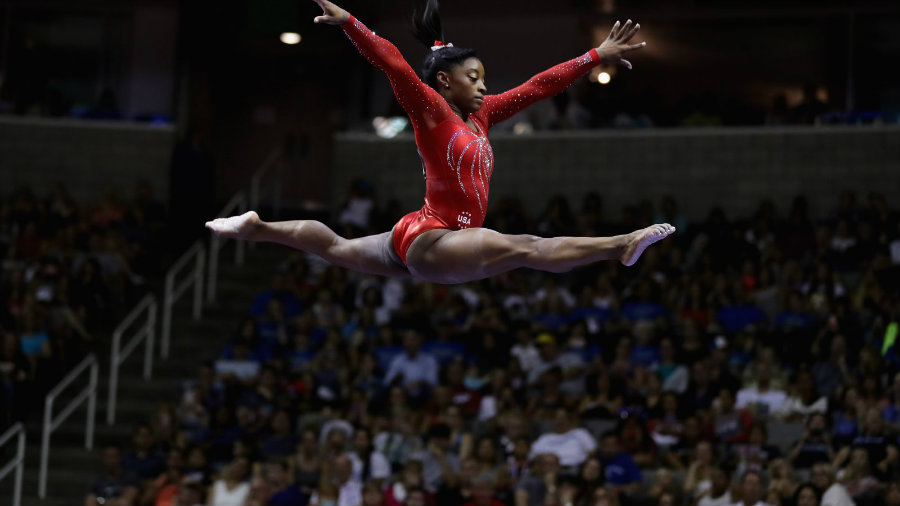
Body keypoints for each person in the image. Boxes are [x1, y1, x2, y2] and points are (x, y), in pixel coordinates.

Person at [206, 0, 674, 285]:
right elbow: (393, 63)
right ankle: (621, 244)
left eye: (485, 78)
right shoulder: (431, 110)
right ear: (445, 82)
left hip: (425, 236)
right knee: (527, 247)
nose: (485, 87)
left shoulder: (483, 115)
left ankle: (257, 227)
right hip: (436, 237)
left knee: (337, 248)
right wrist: (351, 22)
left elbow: (538, 86)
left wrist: (595, 55)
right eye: (475, 78)